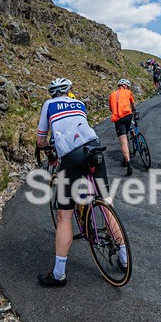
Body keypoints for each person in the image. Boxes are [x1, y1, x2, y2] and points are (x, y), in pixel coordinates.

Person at [36, 77, 124, 286]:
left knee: (64, 217)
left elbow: (41, 140)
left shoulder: (49, 105)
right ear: (68, 92)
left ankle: (58, 275)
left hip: (72, 157)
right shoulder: (79, 104)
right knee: (106, 203)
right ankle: (124, 259)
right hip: (95, 148)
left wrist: (48, 148)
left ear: (53, 93)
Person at [109, 79, 137, 176]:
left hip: (118, 119)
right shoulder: (128, 92)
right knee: (128, 130)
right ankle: (133, 136)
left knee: (123, 140)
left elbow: (111, 109)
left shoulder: (112, 94)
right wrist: (134, 110)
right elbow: (133, 104)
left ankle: (128, 162)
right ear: (125, 86)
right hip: (128, 115)